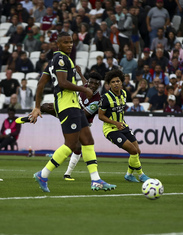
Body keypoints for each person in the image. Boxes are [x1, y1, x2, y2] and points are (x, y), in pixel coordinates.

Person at [27, 32, 116, 192]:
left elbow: (41, 84)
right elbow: (62, 83)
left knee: (88, 141)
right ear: (58, 44)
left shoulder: (52, 61)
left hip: (73, 106)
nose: (70, 44)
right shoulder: (61, 59)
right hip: (68, 105)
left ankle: (96, 180)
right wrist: (84, 89)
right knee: (71, 144)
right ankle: (43, 174)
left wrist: (37, 106)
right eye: (65, 42)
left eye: (71, 42)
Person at [99, 69, 150, 183]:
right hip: (111, 129)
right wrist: (115, 123)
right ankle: (141, 175)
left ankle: (129, 175)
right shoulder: (106, 98)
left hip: (123, 126)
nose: (116, 83)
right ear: (109, 84)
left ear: (121, 82)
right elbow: (100, 116)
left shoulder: (124, 93)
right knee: (133, 151)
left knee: (137, 151)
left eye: (118, 81)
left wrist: (120, 122)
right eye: (113, 82)